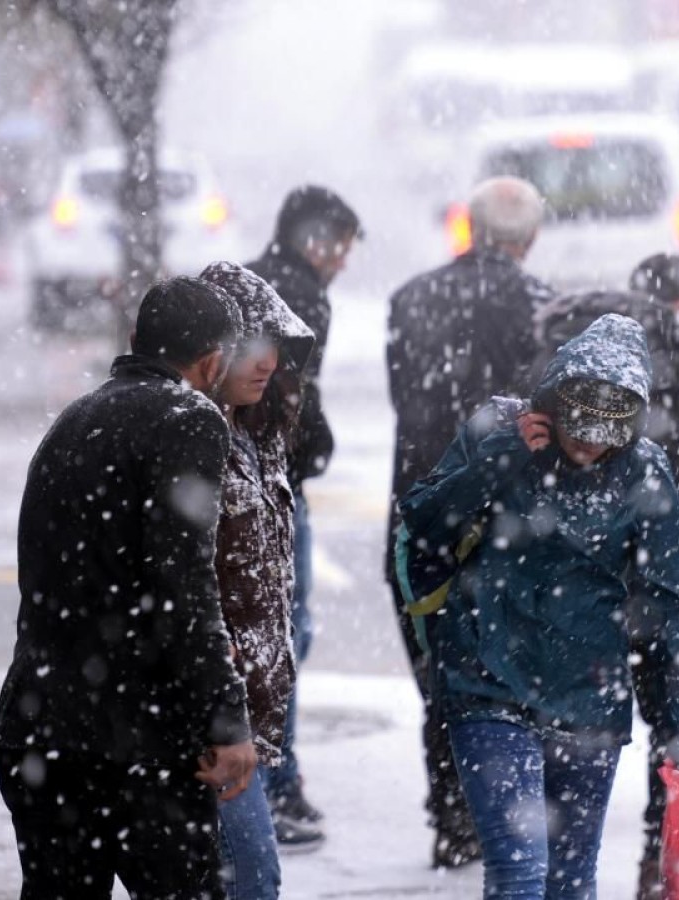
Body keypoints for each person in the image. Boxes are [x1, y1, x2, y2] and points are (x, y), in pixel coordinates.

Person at [398, 313, 679, 899]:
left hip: (588, 701)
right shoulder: (499, 429)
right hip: (490, 687)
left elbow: (678, 606)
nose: (590, 440)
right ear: (554, 397)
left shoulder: (644, 471)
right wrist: (500, 457)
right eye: (580, 423)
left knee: (570, 883)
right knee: (519, 876)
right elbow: (424, 525)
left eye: (607, 428)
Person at [0, 276, 256, 899]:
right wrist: (225, 720)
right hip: (133, 738)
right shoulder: (189, 419)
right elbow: (183, 586)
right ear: (213, 359)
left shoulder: (73, 420)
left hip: (41, 727)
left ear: (136, 339)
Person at [533, 253, 679, 899]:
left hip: (567, 572)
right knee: (672, 716)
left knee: (566, 720)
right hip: (649, 576)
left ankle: (540, 857)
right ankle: (662, 865)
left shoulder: (569, 342)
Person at [385, 176, 554, 867]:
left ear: (471, 228)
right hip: (505, 518)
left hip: (421, 511)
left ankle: (453, 817)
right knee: (508, 678)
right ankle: (503, 818)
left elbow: (407, 397)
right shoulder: (541, 308)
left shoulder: (410, 299)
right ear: (530, 238)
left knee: (438, 672)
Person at [245, 185, 362, 846]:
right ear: (312, 238)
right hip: (275, 483)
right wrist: (315, 449)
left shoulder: (254, 280)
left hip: (252, 477)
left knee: (269, 633)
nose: (342, 261)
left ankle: (274, 783)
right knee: (285, 635)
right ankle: (271, 787)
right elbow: (295, 398)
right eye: (339, 245)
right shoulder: (299, 294)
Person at [199, 261, 318, 896]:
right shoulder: (193, 440)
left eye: (275, 345)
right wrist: (217, 709)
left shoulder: (260, 435)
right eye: (249, 344)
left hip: (251, 722)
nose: (267, 361)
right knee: (252, 879)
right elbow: (186, 590)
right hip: (215, 723)